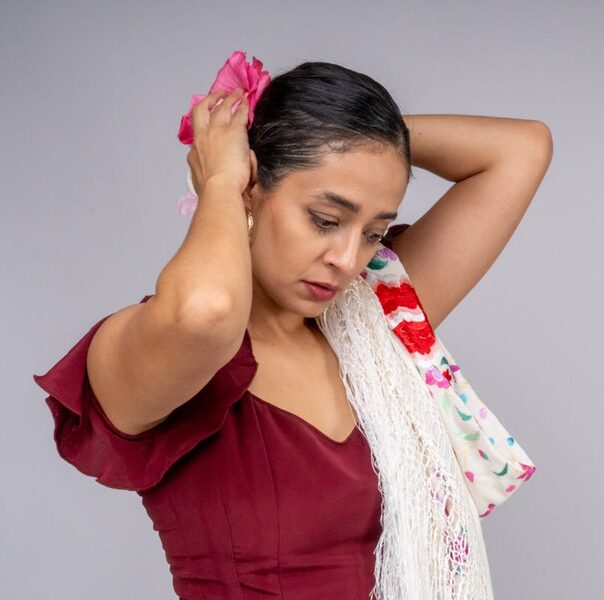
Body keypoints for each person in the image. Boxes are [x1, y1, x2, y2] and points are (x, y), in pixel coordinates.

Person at [33, 60, 552, 599]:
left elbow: (521, 150)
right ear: (253, 187)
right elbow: (207, 311)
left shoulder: (368, 329)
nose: (348, 259)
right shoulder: (172, 342)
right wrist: (222, 175)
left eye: (373, 232)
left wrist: (356, 138)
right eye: (325, 219)